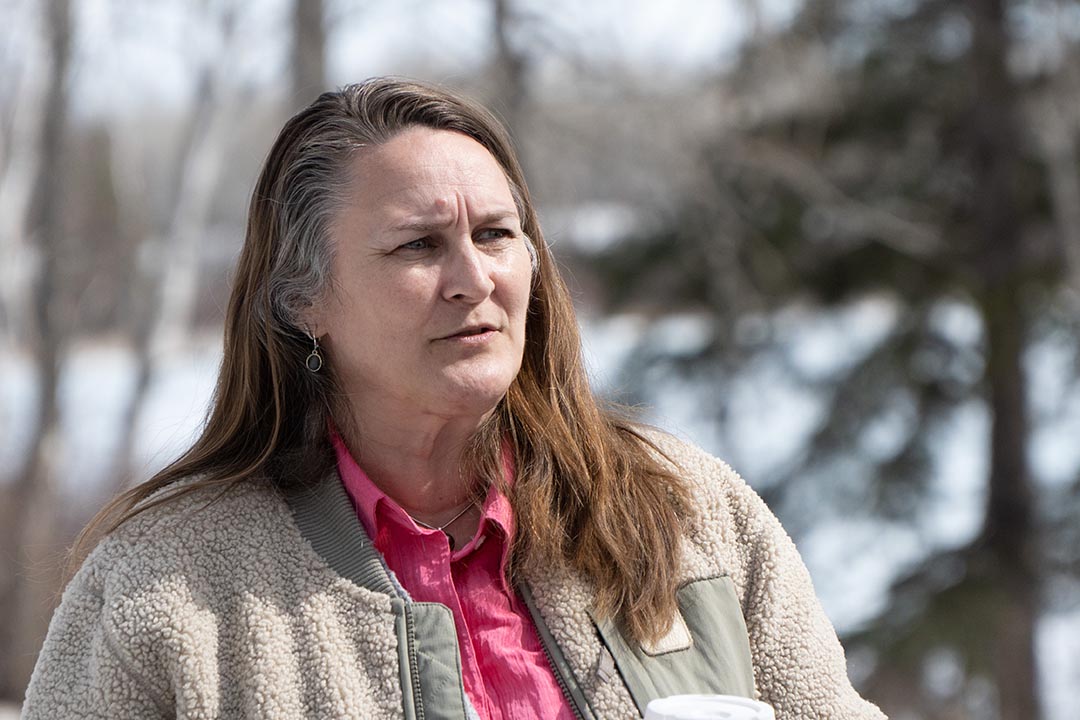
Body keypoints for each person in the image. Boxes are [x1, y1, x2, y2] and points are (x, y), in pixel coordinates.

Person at [23, 78, 885, 720]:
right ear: (303, 300)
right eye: (418, 246)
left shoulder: (691, 516)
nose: (474, 279)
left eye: (496, 235)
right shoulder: (163, 590)